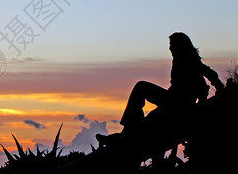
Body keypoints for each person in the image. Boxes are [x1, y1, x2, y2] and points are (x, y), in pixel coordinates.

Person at [96, 32, 224, 147]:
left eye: (172, 45)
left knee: (141, 87)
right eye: (170, 45)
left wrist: (219, 88)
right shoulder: (181, 59)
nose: (170, 48)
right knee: (144, 112)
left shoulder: (188, 59)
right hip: (173, 98)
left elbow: (208, 73)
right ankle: (123, 134)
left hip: (178, 102)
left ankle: (125, 132)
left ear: (180, 46)